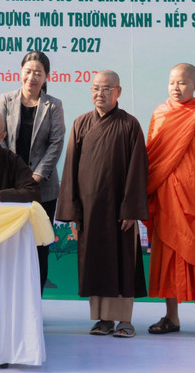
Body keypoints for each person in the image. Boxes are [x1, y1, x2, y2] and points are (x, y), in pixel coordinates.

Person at [56, 70, 148, 338]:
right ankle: (103, 319)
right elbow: (70, 169)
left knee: (123, 262)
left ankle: (125, 321)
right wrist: (73, 212)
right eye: (96, 88)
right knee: (95, 263)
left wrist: (131, 209)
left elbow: (138, 169)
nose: (100, 93)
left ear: (118, 91)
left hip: (120, 211)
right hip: (90, 211)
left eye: (107, 88)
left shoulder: (129, 125)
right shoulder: (81, 123)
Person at [145, 63, 195, 337]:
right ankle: (171, 317)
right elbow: (151, 156)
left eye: (182, 82)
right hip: (167, 198)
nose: (176, 88)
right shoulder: (160, 114)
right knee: (168, 256)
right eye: (172, 82)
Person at [0, 50, 66, 292]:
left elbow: (56, 143)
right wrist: (17, 175)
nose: (32, 77)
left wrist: (36, 176)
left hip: (43, 188)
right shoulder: (6, 100)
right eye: (28, 71)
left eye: (38, 73)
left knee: (40, 245)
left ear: (46, 76)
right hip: (11, 186)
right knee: (10, 243)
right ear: (20, 72)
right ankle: (10, 298)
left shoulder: (53, 105)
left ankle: (35, 300)